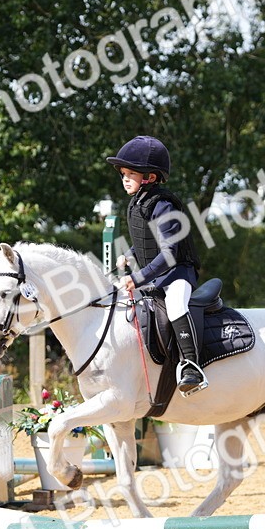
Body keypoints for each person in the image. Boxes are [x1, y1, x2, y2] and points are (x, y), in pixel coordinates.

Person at [107, 135, 206, 395]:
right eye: (123, 173)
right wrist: (128, 254)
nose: (125, 178)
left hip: (178, 273)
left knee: (175, 306)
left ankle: (191, 367)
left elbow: (169, 253)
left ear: (150, 177)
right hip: (157, 274)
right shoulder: (139, 202)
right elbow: (145, 240)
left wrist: (137, 278)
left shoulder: (163, 205)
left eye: (131, 173)